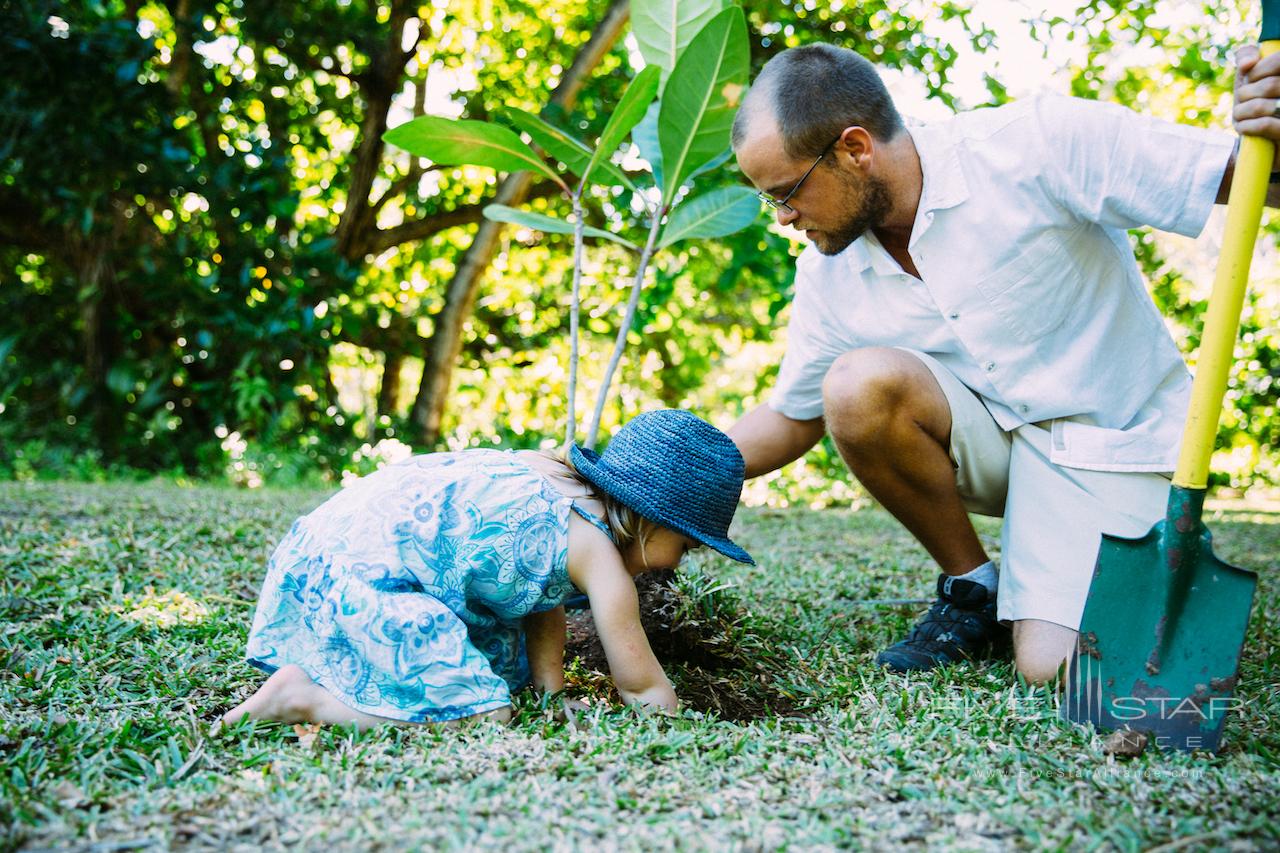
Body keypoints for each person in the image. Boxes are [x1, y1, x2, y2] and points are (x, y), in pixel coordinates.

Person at [729, 41, 1280, 682]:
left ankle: (1095, 556)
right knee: (856, 385)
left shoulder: (1037, 143)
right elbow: (791, 417)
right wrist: (653, 481)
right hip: (994, 449)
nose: (785, 217)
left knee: (1056, 667)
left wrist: (1272, 126)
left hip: (1114, 444)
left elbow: (1260, 181)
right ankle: (974, 588)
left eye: (786, 193)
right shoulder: (831, 271)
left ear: (855, 148)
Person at [222, 409, 753, 729]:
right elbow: (640, 688)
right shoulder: (603, 564)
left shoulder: (553, 482)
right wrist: (678, 726)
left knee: (505, 671)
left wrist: (550, 694)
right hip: (377, 583)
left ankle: (350, 679)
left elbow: (540, 603)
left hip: (328, 555)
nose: (676, 564)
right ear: (649, 520)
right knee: (486, 713)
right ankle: (307, 700)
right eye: (683, 546)